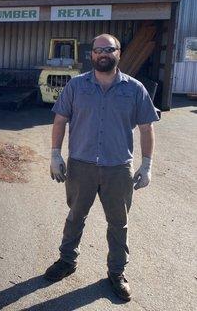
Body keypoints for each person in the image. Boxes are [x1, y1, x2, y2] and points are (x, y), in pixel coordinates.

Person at [44, 33, 159, 301]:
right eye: (98, 50)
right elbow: (60, 119)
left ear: (118, 53)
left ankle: (116, 273)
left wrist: (148, 164)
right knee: (75, 217)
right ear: (92, 55)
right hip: (81, 165)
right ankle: (67, 261)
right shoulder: (76, 86)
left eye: (109, 49)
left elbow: (146, 127)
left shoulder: (134, 89)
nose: (102, 54)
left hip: (118, 169)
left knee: (119, 223)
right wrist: (55, 155)